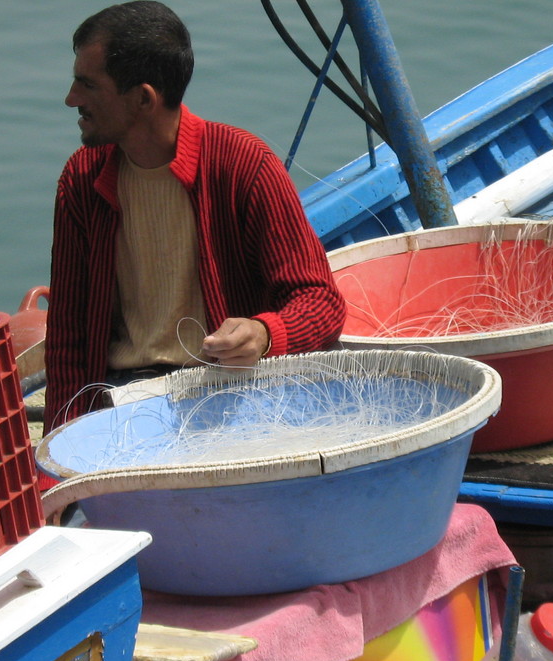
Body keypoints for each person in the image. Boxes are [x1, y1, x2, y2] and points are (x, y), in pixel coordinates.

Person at [44, 0, 346, 431]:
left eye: (87, 86)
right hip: (123, 397)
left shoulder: (244, 164)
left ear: (143, 99)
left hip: (233, 393)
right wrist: (61, 445)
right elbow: (67, 337)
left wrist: (263, 334)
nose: (71, 99)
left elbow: (321, 302)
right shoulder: (81, 178)